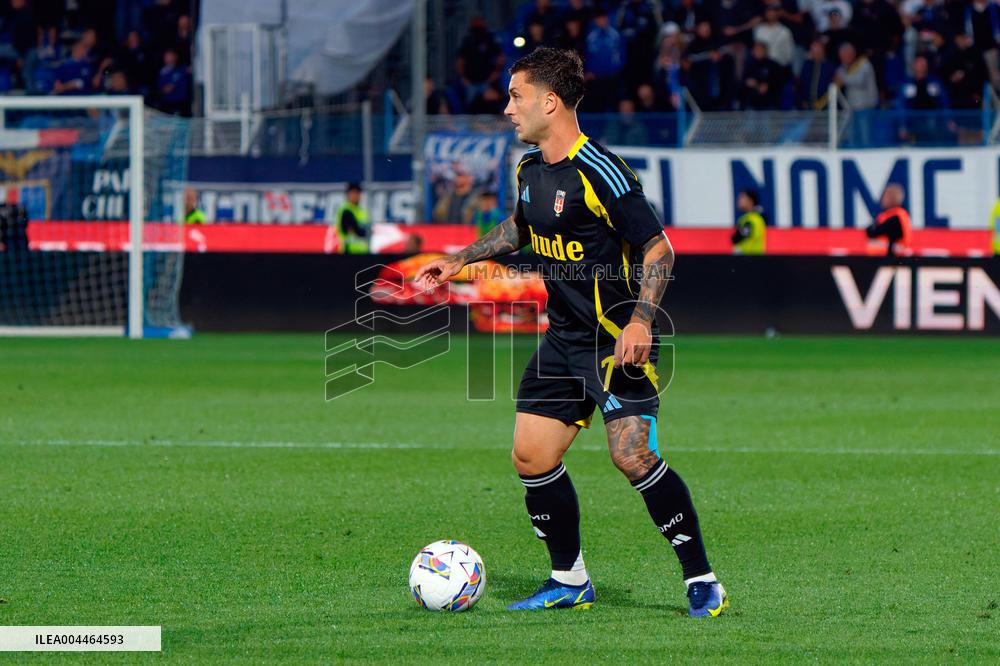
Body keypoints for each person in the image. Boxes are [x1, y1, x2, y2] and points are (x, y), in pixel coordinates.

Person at [414, 47, 727, 618]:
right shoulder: (529, 169)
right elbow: (520, 226)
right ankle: (569, 580)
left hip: (614, 341)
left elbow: (658, 247)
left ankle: (702, 579)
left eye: (516, 96)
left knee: (632, 456)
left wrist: (641, 319)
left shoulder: (602, 172)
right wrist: (460, 258)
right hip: (562, 340)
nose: (508, 108)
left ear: (550, 102)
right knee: (530, 456)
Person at [865, 183, 912, 255]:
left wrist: (873, 228)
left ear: (891, 198)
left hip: (894, 256)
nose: (882, 199)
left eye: (885, 196)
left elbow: (874, 232)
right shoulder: (893, 214)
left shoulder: (895, 217)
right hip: (888, 255)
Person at [336, 183, 370, 254]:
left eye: (358, 193)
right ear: (348, 194)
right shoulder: (345, 211)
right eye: (353, 193)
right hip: (349, 252)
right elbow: (358, 231)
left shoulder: (363, 211)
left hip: (363, 252)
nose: (356, 195)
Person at [732, 189, 767, 254]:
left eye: (742, 197)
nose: (739, 200)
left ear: (750, 201)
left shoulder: (753, 218)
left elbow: (738, 237)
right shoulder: (745, 218)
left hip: (750, 256)